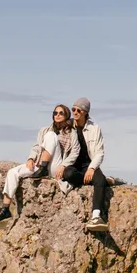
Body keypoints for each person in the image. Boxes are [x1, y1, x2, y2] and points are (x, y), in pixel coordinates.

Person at [0, 103, 78, 223]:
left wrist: (64, 166)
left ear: (66, 115)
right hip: (40, 161)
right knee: (13, 172)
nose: (57, 115)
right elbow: (37, 146)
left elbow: (75, 152)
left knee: (51, 136)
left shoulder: (71, 133)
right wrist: (31, 158)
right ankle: (5, 209)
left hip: (56, 165)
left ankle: (43, 169)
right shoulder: (45, 130)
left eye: (61, 113)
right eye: (55, 113)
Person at [59, 96, 109, 232]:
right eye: (73, 109)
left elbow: (99, 153)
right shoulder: (68, 126)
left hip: (89, 164)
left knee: (99, 180)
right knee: (68, 174)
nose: (75, 112)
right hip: (73, 165)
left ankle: (96, 216)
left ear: (85, 112)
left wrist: (92, 168)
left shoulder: (94, 128)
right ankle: (97, 180)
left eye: (78, 111)